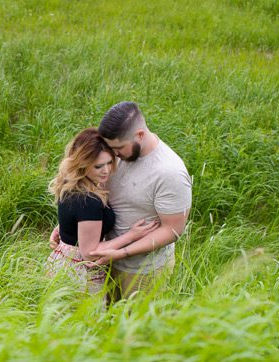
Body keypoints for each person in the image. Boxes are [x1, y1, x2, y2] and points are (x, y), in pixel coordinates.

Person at [49, 102, 192, 301]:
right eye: (111, 149)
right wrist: (69, 226)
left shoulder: (170, 172)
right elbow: (90, 191)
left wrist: (122, 252)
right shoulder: (112, 155)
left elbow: (172, 230)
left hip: (142, 270)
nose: (114, 156)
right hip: (102, 261)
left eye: (118, 149)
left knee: (137, 328)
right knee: (101, 324)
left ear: (140, 135)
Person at [46, 127, 158, 295]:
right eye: (98, 166)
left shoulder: (72, 184)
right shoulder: (89, 200)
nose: (106, 170)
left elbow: (76, 216)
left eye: (109, 162)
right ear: (83, 164)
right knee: (88, 319)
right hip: (79, 271)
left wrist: (63, 227)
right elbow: (90, 254)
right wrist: (131, 236)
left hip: (63, 261)